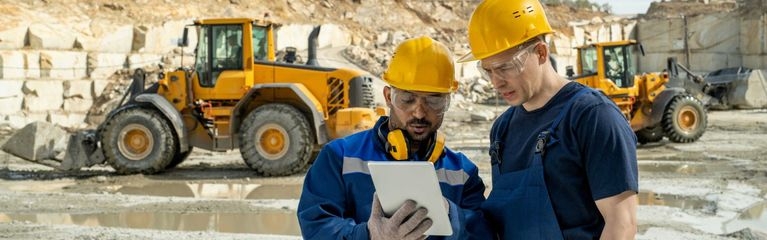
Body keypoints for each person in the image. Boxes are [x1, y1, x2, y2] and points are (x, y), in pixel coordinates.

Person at [459, 0, 638, 239]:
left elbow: (621, 225)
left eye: (504, 68)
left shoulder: (593, 116)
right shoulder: (502, 129)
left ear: (541, 53)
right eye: (488, 70)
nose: (495, 82)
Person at [297, 36, 491, 239]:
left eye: (434, 101)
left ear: (447, 103)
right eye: (407, 99)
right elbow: (317, 226)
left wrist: (452, 214)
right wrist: (370, 235)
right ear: (389, 97)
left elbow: (484, 234)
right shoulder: (340, 157)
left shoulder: (462, 172)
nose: (419, 113)